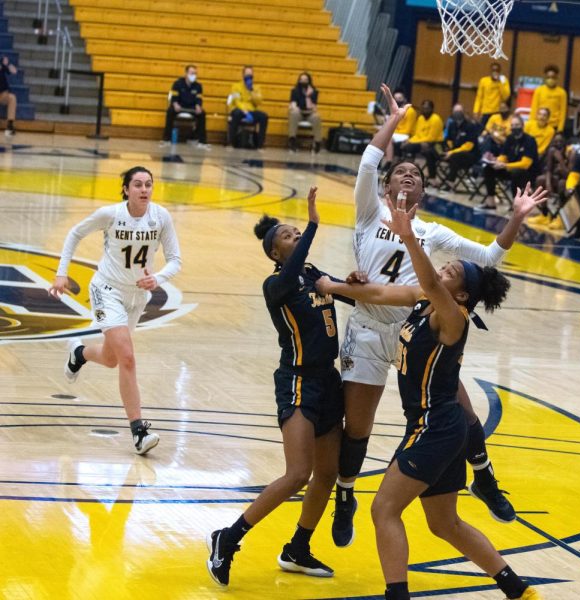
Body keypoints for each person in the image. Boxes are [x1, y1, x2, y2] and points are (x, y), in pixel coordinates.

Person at [331, 84, 547, 549]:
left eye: (415, 175)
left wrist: (517, 217)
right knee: (358, 427)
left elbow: (490, 257)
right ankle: (345, 494)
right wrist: (397, 119)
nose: (407, 175)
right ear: (387, 187)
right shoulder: (369, 213)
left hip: (418, 333)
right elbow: (370, 160)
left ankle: (484, 477)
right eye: (400, 171)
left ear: (423, 193)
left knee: (463, 415)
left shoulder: (432, 231)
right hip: (369, 329)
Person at [315, 196, 542, 600]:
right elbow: (382, 293)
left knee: (384, 510)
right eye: (446, 265)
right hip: (439, 426)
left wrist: (409, 238)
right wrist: (329, 285)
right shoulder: (422, 302)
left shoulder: (452, 318)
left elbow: (432, 284)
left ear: (462, 293)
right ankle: (519, 591)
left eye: (452, 271)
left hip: (434, 426)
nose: (443, 270)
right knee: (444, 524)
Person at [206, 188, 346, 586]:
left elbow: (348, 295)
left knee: (326, 474)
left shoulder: (312, 275)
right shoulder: (276, 286)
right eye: (289, 235)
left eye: (298, 230)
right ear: (274, 253)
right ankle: (227, 539)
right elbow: (293, 273)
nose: (297, 234)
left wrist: (353, 283)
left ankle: (297, 548)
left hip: (329, 381)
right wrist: (316, 224)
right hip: (298, 381)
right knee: (298, 472)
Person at [49, 167, 182, 455]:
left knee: (111, 359)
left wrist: (157, 278)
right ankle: (139, 432)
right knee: (128, 358)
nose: (144, 189)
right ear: (125, 189)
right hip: (106, 290)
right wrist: (62, 274)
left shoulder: (161, 217)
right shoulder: (110, 214)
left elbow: (175, 260)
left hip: (137, 296)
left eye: (148, 184)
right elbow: (74, 234)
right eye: (137, 184)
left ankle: (79, 353)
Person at [478, 115, 538, 212]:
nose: (515, 127)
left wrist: (505, 165)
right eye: (513, 125)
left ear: (522, 125)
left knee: (516, 173)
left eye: (517, 125)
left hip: (527, 173)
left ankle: (516, 204)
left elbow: (525, 164)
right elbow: (504, 155)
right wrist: (496, 161)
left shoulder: (530, 140)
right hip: (510, 167)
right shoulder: (510, 138)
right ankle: (491, 202)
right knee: (488, 168)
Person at [162, 64, 209, 149]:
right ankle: (166, 139)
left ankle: (201, 141)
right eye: (191, 73)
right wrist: (175, 104)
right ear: (186, 74)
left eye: (195, 73)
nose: (193, 76)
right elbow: (174, 97)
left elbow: (199, 98)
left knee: (202, 114)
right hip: (180, 107)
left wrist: (198, 106)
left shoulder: (198, 86)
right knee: (170, 111)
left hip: (192, 108)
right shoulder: (177, 84)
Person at [400, 99, 444, 184]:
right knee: (404, 145)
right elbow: (417, 135)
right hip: (422, 142)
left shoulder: (436, 119)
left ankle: (412, 171)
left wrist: (412, 143)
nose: (425, 110)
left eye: (427, 108)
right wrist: (409, 140)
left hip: (437, 144)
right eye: (423, 108)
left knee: (411, 147)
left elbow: (431, 138)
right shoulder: (420, 118)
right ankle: (410, 169)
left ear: (432, 109)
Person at [440, 104, 481, 189]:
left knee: (455, 156)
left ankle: (450, 182)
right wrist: (448, 149)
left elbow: (468, 146)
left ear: (463, 112)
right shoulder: (452, 124)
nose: (457, 113)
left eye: (459, 111)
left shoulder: (470, 126)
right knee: (432, 150)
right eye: (455, 112)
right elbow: (448, 139)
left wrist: (451, 152)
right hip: (454, 152)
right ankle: (432, 179)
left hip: (470, 155)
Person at [227, 65, 268, 149]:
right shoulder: (236, 86)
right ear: (243, 75)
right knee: (236, 114)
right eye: (247, 74)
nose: (249, 77)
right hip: (239, 109)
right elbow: (236, 101)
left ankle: (260, 144)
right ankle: (231, 142)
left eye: (250, 75)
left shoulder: (256, 88)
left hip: (251, 110)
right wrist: (244, 111)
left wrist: (251, 91)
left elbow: (258, 102)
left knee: (264, 116)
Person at [288, 71, 323, 153]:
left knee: (317, 117)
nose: (303, 81)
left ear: (309, 80)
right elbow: (293, 102)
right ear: (299, 80)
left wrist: (313, 107)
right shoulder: (295, 90)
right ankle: (292, 140)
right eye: (302, 79)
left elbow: (314, 104)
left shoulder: (314, 91)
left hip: (309, 112)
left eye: (305, 79)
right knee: (293, 114)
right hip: (299, 111)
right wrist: (294, 107)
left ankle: (318, 142)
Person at [384, 89, 418, 167]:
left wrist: (392, 132)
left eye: (399, 98)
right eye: (395, 99)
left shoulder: (410, 111)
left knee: (388, 138)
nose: (397, 101)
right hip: (397, 133)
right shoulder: (395, 110)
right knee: (378, 135)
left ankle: (389, 162)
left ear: (405, 99)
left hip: (406, 135)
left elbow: (408, 130)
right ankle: (379, 162)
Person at [530, 65, 567, 131]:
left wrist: (560, 129)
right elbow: (534, 109)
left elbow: (563, 113)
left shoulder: (562, 93)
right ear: (545, 78)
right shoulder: (539, 90)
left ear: (557, 77)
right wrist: (532, 125)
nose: (550, 79)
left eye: (553, 77)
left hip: (554, 126)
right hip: (540, 124)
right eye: (548, 77)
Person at [473, 62, 511, 126]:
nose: (495, 72)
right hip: (485, 112)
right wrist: (476, 111)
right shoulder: (484, 81)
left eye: (497, 70)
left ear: (500, 72)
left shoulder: (503, 80)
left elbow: (506, 96)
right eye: (493, 70)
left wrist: (499, 82)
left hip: (498, 112)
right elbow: (479, 97)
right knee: (482, 130)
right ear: (490, 71)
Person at [0, 55, 18, 136]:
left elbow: (14, 71)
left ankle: (10, 126)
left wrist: (7, 64)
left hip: (3, 94)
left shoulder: (2, 65)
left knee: (12, 98)